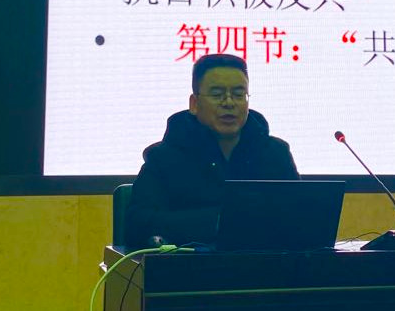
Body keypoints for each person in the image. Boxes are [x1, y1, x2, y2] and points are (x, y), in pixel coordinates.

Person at [125, 53, 299, 249]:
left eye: (238, 94)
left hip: (264, 264)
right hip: (191, 266)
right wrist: (217, 221)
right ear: (194, 104)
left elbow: (300, 216)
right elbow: (137, 225)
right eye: (217, 95)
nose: (229, 103)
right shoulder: (163, 158)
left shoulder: (275, 153)